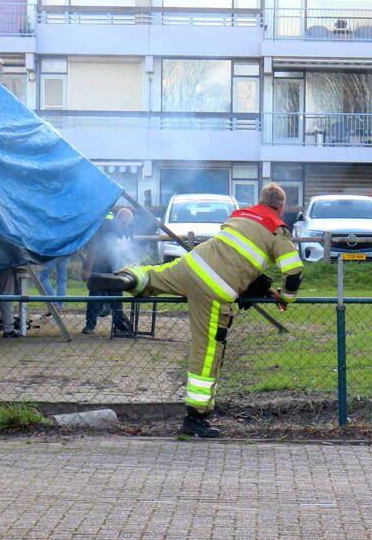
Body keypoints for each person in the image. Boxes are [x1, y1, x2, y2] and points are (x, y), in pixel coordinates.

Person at [87, 184, 303, 438]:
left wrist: (262, 286)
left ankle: (126, 279)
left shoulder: (239, 216)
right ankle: (196, 418)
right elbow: (294, 270)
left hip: (192, 264)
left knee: (154, 275)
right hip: (213, 290)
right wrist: (287, 296)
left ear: (260, 201)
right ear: (281, 207)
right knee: (207, 352)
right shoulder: (277, 229)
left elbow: (236, 256)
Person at [81, 208, 134, 335]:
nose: (125, 224)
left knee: (117, 298)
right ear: (118, 218)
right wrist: (88, 269)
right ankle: (90, 325)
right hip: (99, 268)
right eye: (123, 222)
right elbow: (93, 248)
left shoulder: (128, 232)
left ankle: (119, 324)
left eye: (127, 223)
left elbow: (126, 251)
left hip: (116, 270)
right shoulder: (105, 228)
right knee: (95, 297)